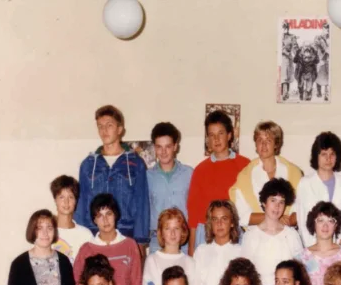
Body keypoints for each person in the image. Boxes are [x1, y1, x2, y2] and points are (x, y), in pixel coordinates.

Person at [74, 105, 150, 247]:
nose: (104, 130)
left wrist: (140, 243)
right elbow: (82, 205)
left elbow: (142, 205)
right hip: (94, 236)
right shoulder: (88, 164)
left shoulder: (135, 163)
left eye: (109, 125)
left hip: (126, 235)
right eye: (100, 126)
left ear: (120, 129)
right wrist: (80, 240)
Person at [187, 111, 250, 254]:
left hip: (236, 232)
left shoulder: (245, 165)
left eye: (220, 133)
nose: (216, 139)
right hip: (206, 234)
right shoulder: (200, 170)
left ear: (229, 135)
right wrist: (191, 248)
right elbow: (193, 213)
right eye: (211, 135)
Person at [74, 193, 142, 285]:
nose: (105, 220)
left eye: (109, 214)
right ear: (94, 220)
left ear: (115, 215)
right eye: (100, 216)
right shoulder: (86, 250)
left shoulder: (130, 245)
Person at [229, 121, 302, 228]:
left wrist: (290, 220)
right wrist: (274, 218)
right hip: (257, 233)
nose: (263, 144)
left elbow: (300, 208)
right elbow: (241, 215)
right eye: (260, 140)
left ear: (276, 144)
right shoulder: (245, 176)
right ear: (255, 144)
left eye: (268, 140)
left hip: (286, 232)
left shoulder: (294, 172)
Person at [241, 179, 303, 285]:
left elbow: (300, 271)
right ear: (264, 203)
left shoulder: (291, 235)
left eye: (281, 202)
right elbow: (245, 274)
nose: (277, 206)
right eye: (273, 200)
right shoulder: (251, 236)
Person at [294, 132, 341, 247]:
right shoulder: (305, 184)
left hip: (340, 247)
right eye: (324, 154)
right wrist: (314, 248)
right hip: (313, 246)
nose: (328, 158)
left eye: (332, 154)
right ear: (316, 156)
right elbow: (302, 221)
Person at [146, 122, 193, 253]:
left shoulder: (189, 174)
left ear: (175, 147)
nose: (163, 152)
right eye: (159, 147)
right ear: (154, 148)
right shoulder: (147, 176)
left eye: (168, 146)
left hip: (183, 242)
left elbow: (194, 209)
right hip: (157, 242)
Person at [193, 200, 243, 285]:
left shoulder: (240, 252)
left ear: (232, 222)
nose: (219, 224)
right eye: (215, 219)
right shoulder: (201, 251)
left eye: (224, 219)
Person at [142, 208, 197, 285]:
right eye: (167, 229)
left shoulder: (190, 262)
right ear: (161, 233)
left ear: (183, 231)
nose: (172, 233)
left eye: (176, 228)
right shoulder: (152, 260)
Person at [50, 175, 93, 263]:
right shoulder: (47, 232)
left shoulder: (86, 235)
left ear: (76, 201)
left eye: (70, 197)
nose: (66, 202)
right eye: (61, 197)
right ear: (55, 200)